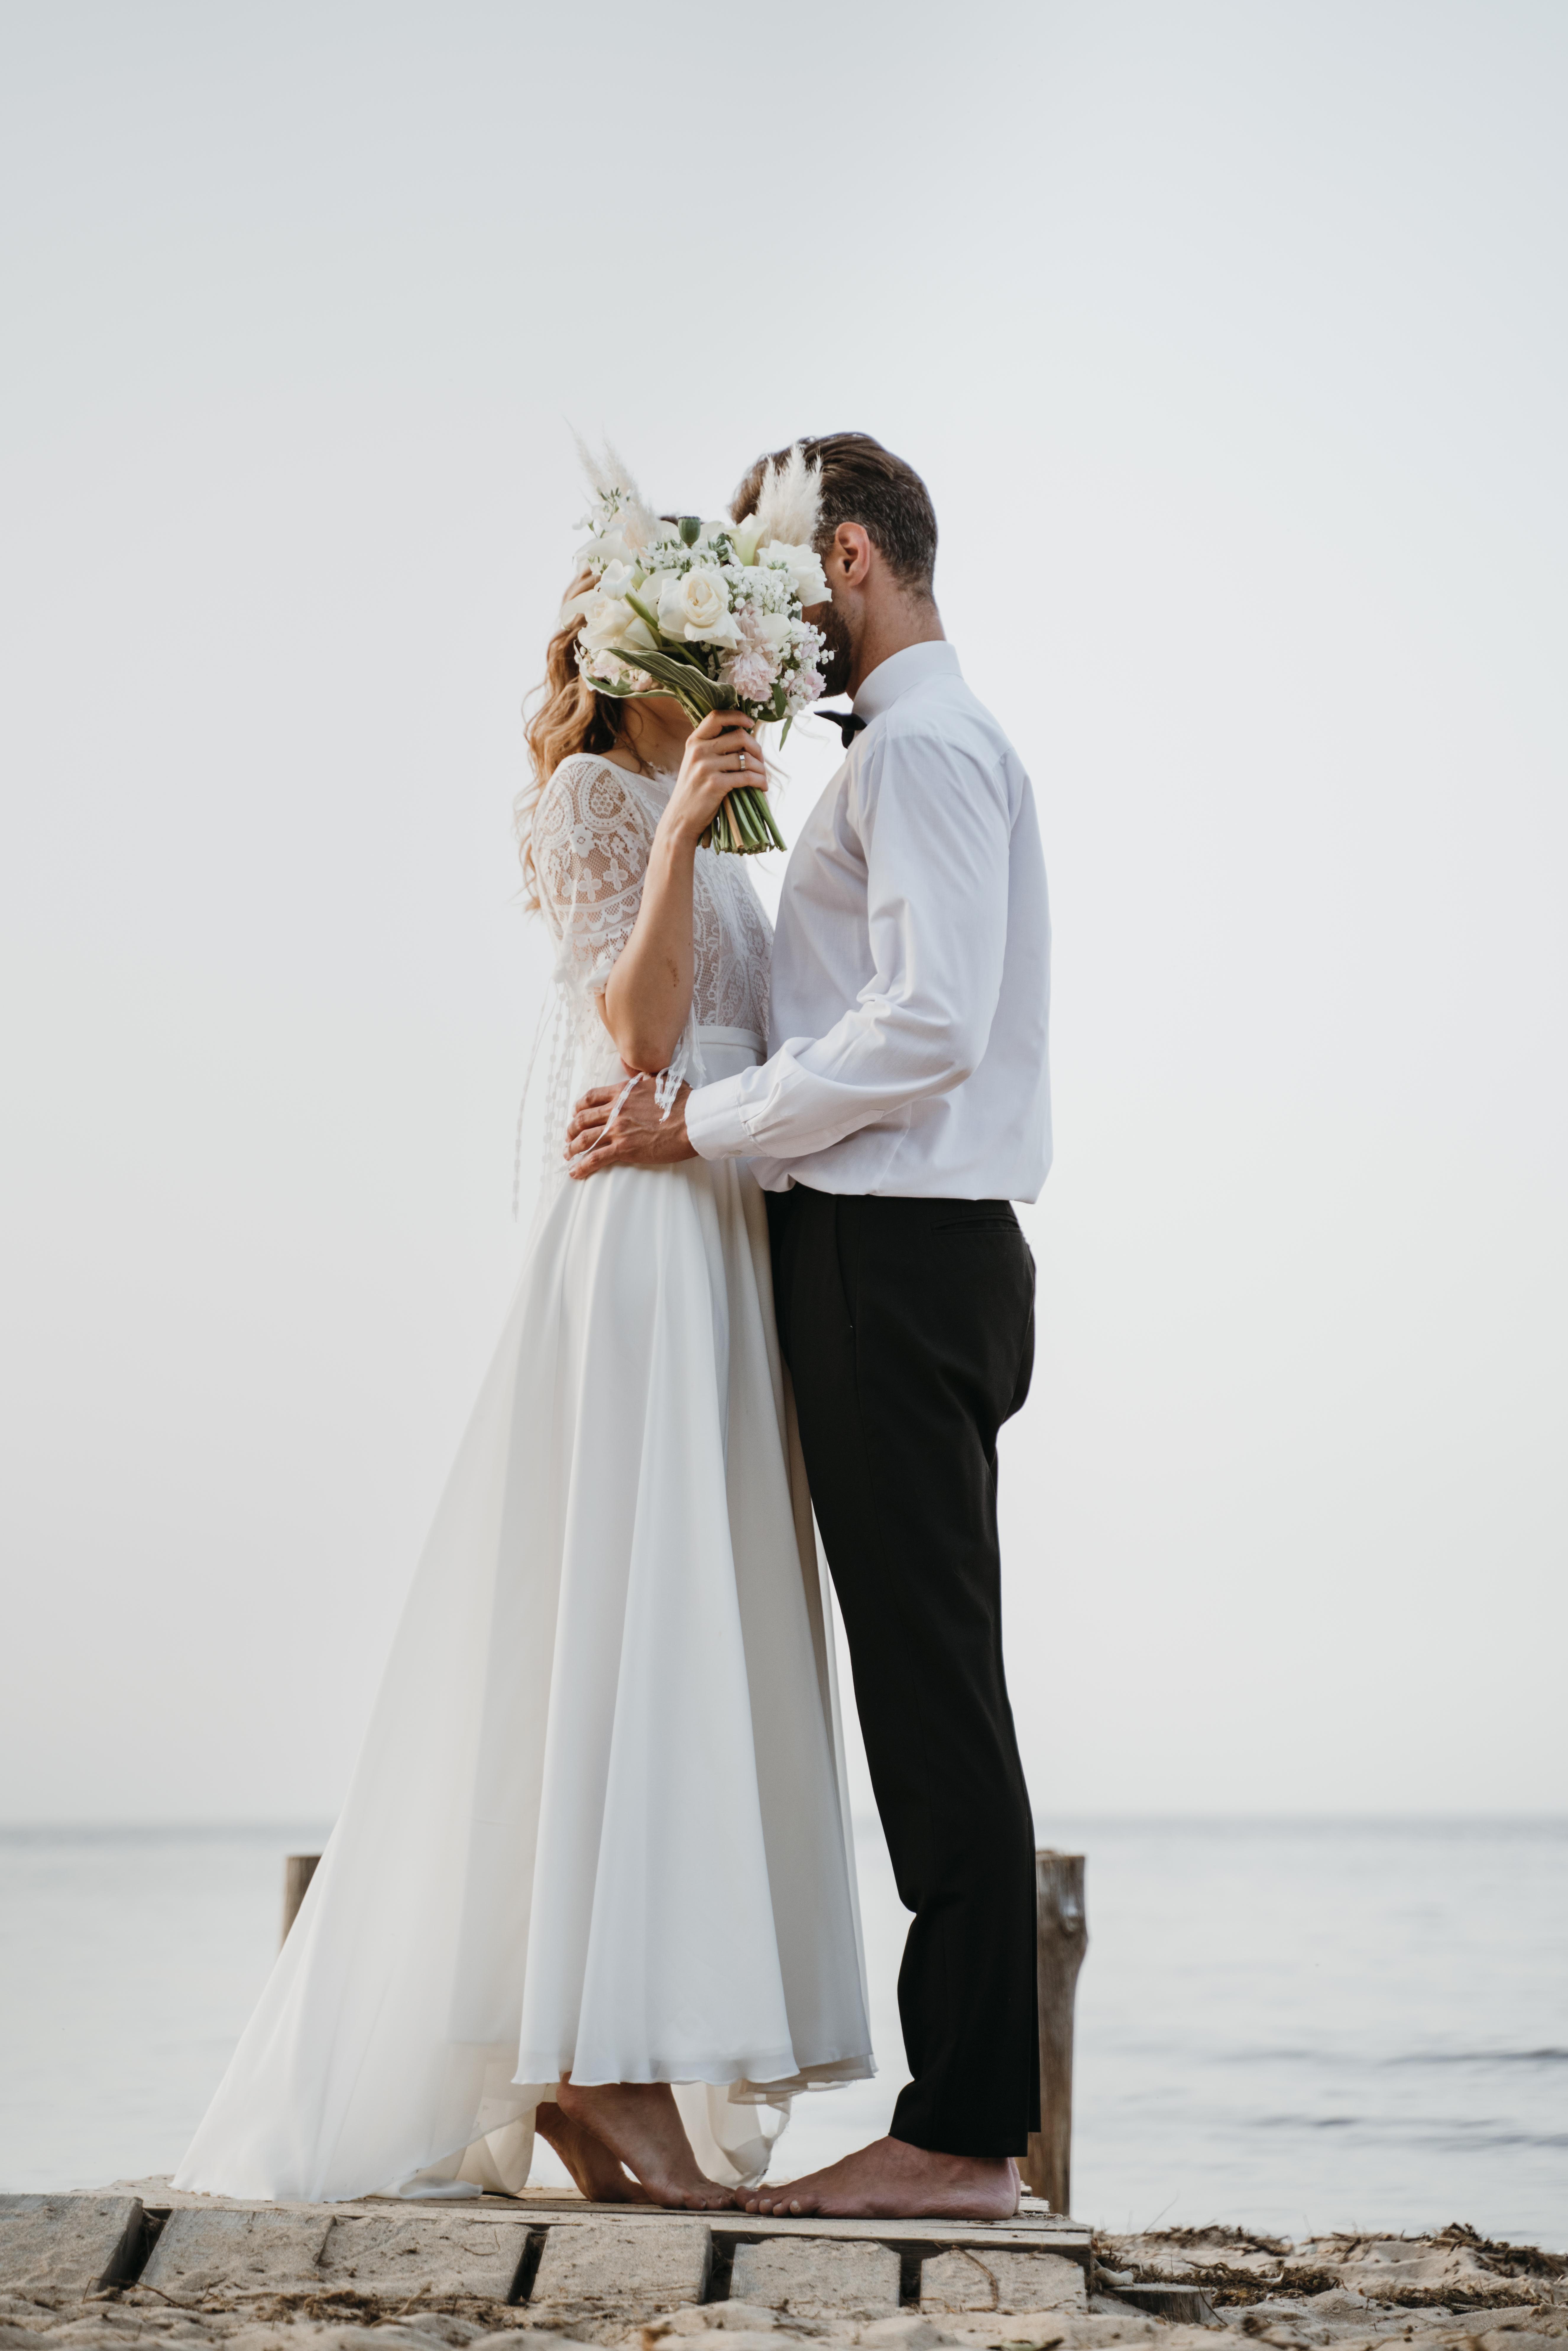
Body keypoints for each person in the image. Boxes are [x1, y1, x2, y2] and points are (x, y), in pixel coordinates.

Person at [174, 507, 873, 2209]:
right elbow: (629, 1033)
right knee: (620, 1613)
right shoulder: (591, 804)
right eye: (708, 653)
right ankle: (594, 2067)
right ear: (639, 657)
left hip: (723, 1216)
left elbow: (752, 1050)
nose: (732, 683)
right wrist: (678, 833)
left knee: (693, 1619)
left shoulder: (732, 833)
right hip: (636, 1245)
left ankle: (622, 2064)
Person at [566, 432, 1052, 2220]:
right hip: (920, 1255)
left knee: (933, 1703)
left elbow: (926, 1024)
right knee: (938, 1691)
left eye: (782, 577)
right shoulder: (925, 749)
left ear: (847, 558)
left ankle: (960, 2137)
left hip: (893, 1257)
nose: (773, 614)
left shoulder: (920, 749)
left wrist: (702, 1120)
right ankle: (961, 2122)